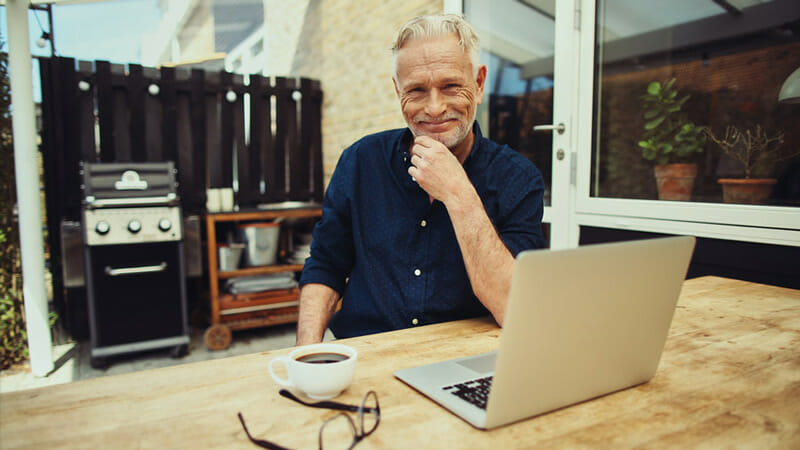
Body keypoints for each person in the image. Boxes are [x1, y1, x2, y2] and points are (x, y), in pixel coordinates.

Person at [296, 14, 545, 344]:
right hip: (370, 352)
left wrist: (457, 192)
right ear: (398, 89)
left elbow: (511, 307)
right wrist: (305, 355)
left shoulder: (518, 178)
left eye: (450, 86)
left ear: (479, 83)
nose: (435, 107)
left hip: (465, 356)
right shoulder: (359, 162)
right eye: (416, 90)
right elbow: (326, 265)